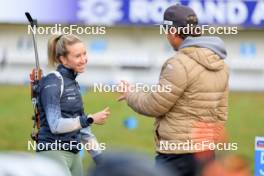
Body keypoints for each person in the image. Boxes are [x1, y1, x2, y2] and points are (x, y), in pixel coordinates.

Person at [118, 4, 229, 176]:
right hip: (207, 152)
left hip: (176, 154)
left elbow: (154, 106)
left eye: (166, 29)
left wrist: (130, 95)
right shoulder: (221, 64)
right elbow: (222, 113)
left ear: (174, 31)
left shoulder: (177, 64)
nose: (166, 35)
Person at [37, 34, 110, 176]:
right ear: (63, 59)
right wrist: (89, 119)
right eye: (78, 56)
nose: (84, 59)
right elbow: (55, 125)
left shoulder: (73, 84)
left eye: (84, 54)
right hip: (53, 151)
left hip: (74, 153)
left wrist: (101, 160)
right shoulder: (52, 81)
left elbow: (84, 131)